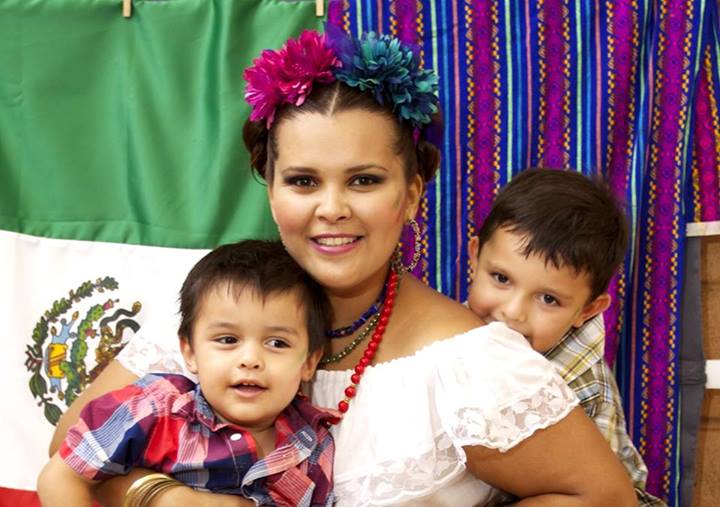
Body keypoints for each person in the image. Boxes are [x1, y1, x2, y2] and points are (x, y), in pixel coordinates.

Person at [49, 28, 637, 506]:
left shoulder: (470, 366)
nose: (332, 209)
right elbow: (68, 453)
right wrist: (162, 497)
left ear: (412, 195)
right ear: (272, 193)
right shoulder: (215, 315)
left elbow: (603, 496)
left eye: (364, 180)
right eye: (304, 181)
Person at [38, 240, 335, 506]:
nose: (250, 360)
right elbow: (61, 476)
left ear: (309, 362)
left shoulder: (312, 444)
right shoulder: (155, 407)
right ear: (189, 352)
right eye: (228, 340)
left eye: (277, 343)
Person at [465, 168, 666, 506]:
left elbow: (600, 498)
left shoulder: (581, 387)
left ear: (587, 310)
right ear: (475, 257)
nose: (512, 312)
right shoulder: (450, 328)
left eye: (548, 299)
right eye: (501, 278)